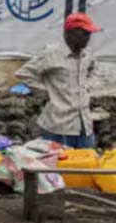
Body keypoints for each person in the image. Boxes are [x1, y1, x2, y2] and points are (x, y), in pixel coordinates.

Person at [15, 12, 101, 148]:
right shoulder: (51, 54)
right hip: (58, 127)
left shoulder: (87, 53)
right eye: (84, 33)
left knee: (86, 165)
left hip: (84, 126)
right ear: (69, 33)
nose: (88, 37)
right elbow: (24, 74)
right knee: (56, 166)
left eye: (89, 33)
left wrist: (88, 85)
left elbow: (95, 69)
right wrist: (46, 92)